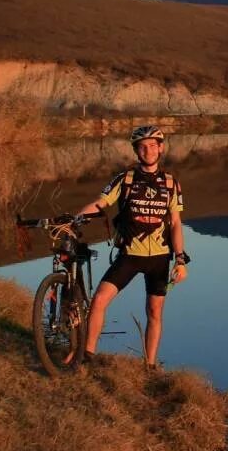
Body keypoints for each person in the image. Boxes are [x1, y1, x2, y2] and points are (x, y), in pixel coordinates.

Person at [73, 124, 189, 368]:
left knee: (155, 312)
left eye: (152, 146)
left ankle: (149, 366)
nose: (147, 151)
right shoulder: (124, 179)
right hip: (129, 255)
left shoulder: (171, 184)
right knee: (99, 300)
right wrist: (77, 218)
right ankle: (87, 355)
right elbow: (100, 203)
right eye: (142, 147)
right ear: (136, 151)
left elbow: (176, 223)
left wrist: (180, 259)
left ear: (160, 148)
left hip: (159, 258)